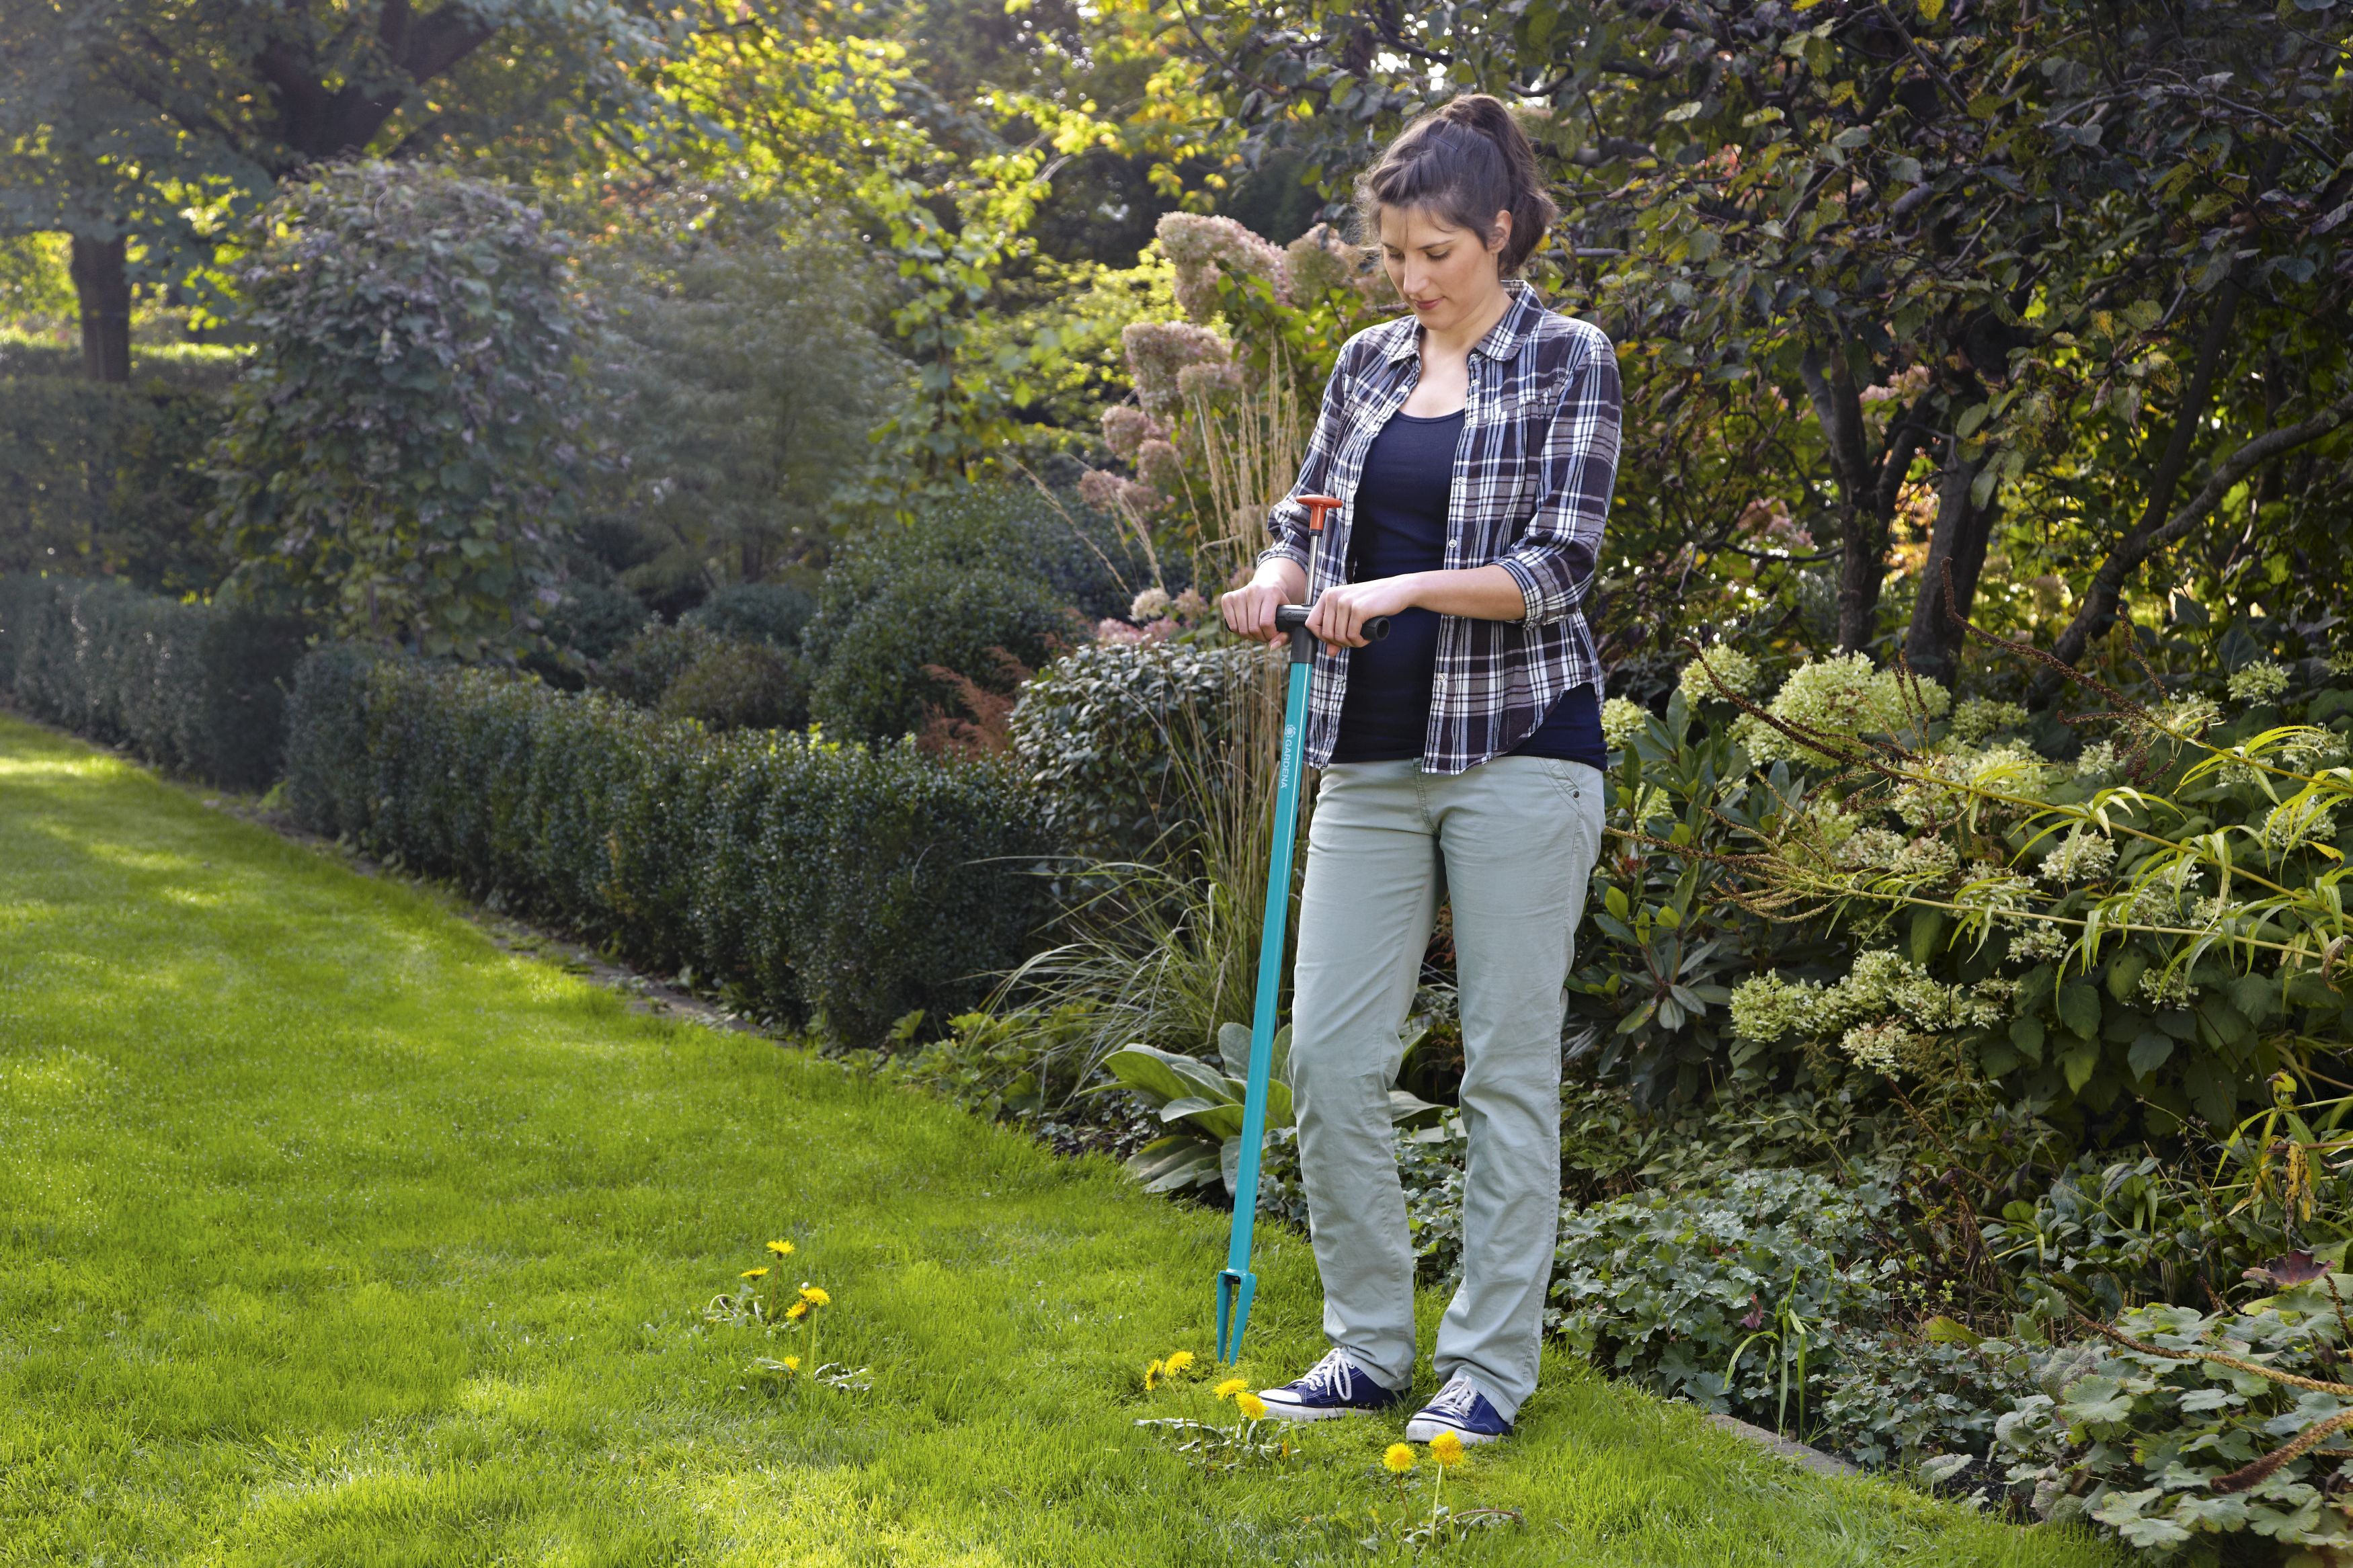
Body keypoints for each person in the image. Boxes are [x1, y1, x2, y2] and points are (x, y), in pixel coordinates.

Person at [1218, 93, 1620, 1447]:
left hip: (1520, 751)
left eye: (1435, 252)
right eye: (1395, 255)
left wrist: (1389, 590)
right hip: (1369, 759)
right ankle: (1367, 1351)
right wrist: (1280, 570)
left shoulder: (1569, 358)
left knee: (1506, 1071)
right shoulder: (1369, 363)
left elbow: (1556, 570)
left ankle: (1489, 1371)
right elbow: (1306, 516)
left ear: (1499, 232)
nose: (1411, 279)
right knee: (1328, 1062)